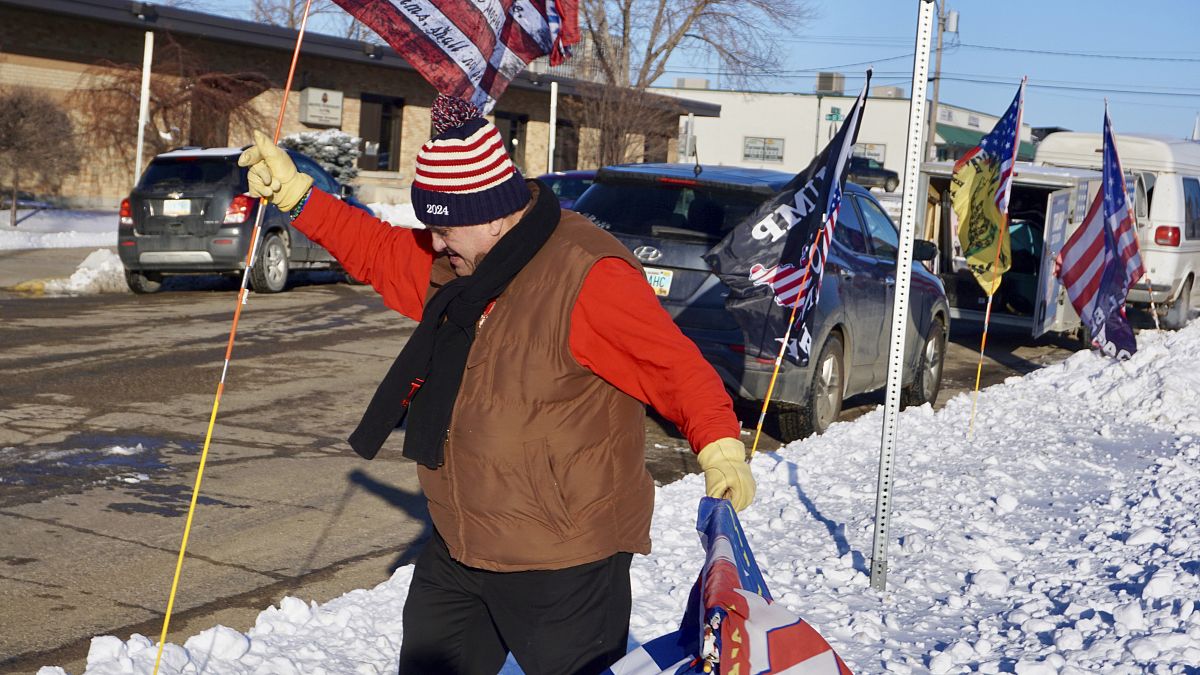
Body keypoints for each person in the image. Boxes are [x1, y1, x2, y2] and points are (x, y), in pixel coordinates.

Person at [238, 95, 755, 675]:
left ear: (491, 212)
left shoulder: (586, 275)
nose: (434, 244)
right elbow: (379, 252)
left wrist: (719, 445)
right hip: (462, 544)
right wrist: (300, 197)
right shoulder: (458, 268)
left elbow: (675, 368)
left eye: (443, 228)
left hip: (564, 558)